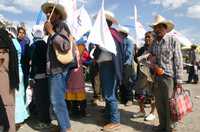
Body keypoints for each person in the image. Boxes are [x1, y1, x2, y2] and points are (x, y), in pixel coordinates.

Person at [41, 1, 75, 132]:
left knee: (57, 101)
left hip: (58, 69)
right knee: (58, 100)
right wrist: (49, 31)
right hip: (55, 69)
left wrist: (51, 32)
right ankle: (64, 126)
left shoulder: (61, 26)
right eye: (47, 12)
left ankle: (66, 129)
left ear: (59, 15)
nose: (48, 14)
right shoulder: (55, 27)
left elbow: (65, 46)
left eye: (51, 12)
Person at [149, 15, 183, 132]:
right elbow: (149, 57)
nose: (157, 30)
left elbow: (178, 61)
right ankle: (162, 125)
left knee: (170, 104)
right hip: (157, 77)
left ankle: (171, 128)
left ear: (165, 28)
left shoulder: (173, 40)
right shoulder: (154, 43)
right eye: (155, 28)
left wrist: (179, 80)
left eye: (159, 27)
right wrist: (152, 62)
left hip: (169, 77)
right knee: (159, 103)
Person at [95, 11, 123, 131]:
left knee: (109, 94)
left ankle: (115, 121)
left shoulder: (110, 34)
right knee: (107, 92)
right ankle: (108, 117)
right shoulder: (110, 34)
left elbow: (108, 50)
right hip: (105, 65)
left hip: (109, 66)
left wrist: (98, 44)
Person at [29, 25, 51, 129]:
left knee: (40, 99)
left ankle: (43, 121)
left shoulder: (34, 45)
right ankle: (47, 119)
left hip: (38, 76)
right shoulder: (45, 44)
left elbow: (34, 63)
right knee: (45, 99)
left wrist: (31, 77)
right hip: (47, 75)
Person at [132, 31, 156, 121]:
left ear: (153, 38)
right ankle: (142, 111)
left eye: (149, 37)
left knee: (152, 95)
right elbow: (135, 59)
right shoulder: (142, 49)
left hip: (151, 76)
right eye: (146, 37)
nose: (147, 38)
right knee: (139, 94)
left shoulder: (155, 49)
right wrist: (136, 52)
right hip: (141, 75)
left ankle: (152, 113)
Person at [0, 28, 19, 132]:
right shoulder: (11, 51)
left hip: (4, 84)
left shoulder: (3, 54)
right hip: (10, 83)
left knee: (5, 110)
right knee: (10, 109)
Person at [11, 27, 30, 127]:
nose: (21, 34)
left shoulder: (25, 44)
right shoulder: (15, 42)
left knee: (23, 92)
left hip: (24, 71)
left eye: (23, 33)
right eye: (19, 32)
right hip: (19, 70)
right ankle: (21, 114)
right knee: (19, 93)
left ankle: (23, 114)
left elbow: (27, 59)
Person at [65, 44, 87, 117]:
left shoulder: (71, 45)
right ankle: (80, 111)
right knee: (77, 91)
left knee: (72, 90)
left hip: (72, 70)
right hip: (76, 71)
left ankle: (75, 110)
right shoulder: (80, 45)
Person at [118, 26, 136, 106]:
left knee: (127, 82)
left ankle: (129, 99)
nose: (119, 34)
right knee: (121, 82)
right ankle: (123, 99)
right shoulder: (119, 42)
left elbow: (129, 53)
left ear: (124, 34)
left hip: (127, 64)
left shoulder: (129, 42)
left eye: (120, 33)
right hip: (120, 64)